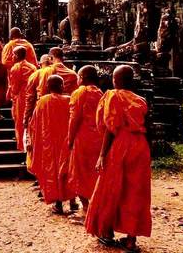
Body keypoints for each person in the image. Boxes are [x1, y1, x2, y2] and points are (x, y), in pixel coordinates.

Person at [85, 65, 152, 252]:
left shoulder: (112, 96)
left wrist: (101, 155)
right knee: (136, 192)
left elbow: (109, 128)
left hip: (121, 145)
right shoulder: (141, 100)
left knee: (110, 187)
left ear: (115, 81)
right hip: (140, 147)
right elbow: (149, 128)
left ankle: (106, 232)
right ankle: (131, 240)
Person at [29, 75, 76, 214]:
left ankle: (59, 204)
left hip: (49, 143)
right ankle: (73, 202)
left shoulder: (42, 101)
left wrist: (34, 140)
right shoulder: (69, 100)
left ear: (48, 87)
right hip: (67, 142)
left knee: (53, 173)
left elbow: (34, 124)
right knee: (68, 171)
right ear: (62, 86)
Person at [67, 66, 104, 214]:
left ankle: (87, 206)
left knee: (80, 173)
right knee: (94, 173)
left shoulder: (79, 92)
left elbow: (74, 118)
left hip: (83, 138)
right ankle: (94, 203)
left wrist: (70, 139)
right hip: (99, 138)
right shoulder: (100, 93)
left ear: (82, 78)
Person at [24, 54, 53, 173]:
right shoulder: (58, 71)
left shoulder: (35, 75)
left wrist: (26, 117)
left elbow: (30, 98)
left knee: (38, 143)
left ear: (40, 64)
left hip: (40, 112)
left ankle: (40, 173)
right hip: (58, 112)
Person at [7, 46, 37, 150]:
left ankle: (23, 147)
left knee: (21, 123)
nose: (12, 56)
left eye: (13, 54)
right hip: (32, 97)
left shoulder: (16, 68)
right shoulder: (32, 67)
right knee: (30, 123)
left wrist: (11, 96)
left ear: (18, 56)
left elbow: (14, 89)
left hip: (21, 98)